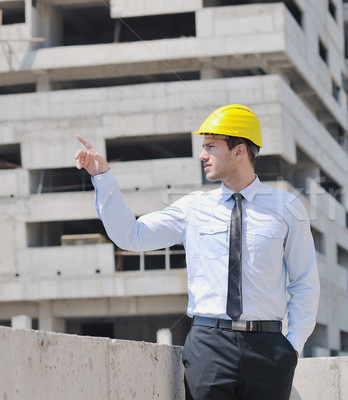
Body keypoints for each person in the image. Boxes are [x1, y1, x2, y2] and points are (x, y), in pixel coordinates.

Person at [75, 104, 320, 400]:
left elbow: (304, 281)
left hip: (269, 349)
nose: (202, 155)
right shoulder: (193, 208)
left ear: (239, 151)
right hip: (209, 346)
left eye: (211, 147)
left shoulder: (288, 208)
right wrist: (102, 177)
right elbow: (132, 236)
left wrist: (292, 346)